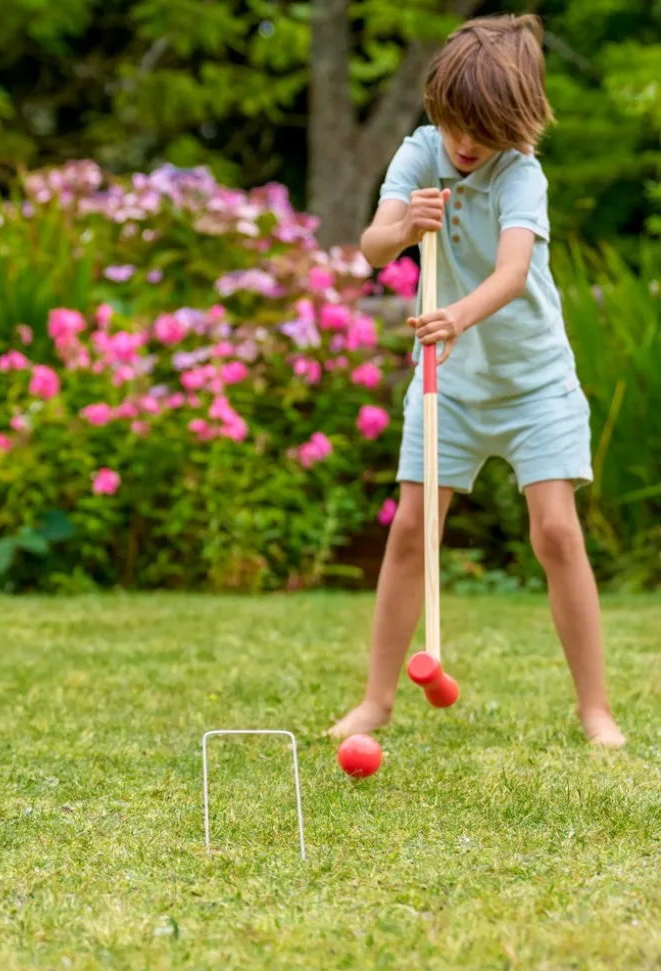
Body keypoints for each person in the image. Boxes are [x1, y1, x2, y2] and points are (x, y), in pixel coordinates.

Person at [328, 14, 625, 747]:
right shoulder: (420, 153)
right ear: (438, 106)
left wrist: (457, 314)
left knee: (556, 531)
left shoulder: (521, 173)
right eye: (458, 123)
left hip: (534, 385)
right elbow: (370, 245)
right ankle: (377, 701)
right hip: (449, 384)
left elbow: (513, 272)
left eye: (485, 131)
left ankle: (595, 710)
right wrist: (402, 230)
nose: (466, 144)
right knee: (409, 533)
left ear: (517, 124)